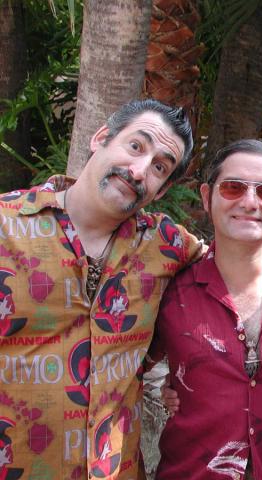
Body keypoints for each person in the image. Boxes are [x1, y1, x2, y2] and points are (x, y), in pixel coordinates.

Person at [0, 99, 202, 479]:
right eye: (136, 146)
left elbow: (235, 276)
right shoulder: (6, 225)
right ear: (101, 138)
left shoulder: (165, 245)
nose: (139, 170)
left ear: (161, 190)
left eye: (159, 167)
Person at [148, 140, 262, 479]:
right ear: (206, 196)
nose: (249, 202)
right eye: (233, 188)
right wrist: (170, 384)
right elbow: (125, 363)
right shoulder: (170, 289)